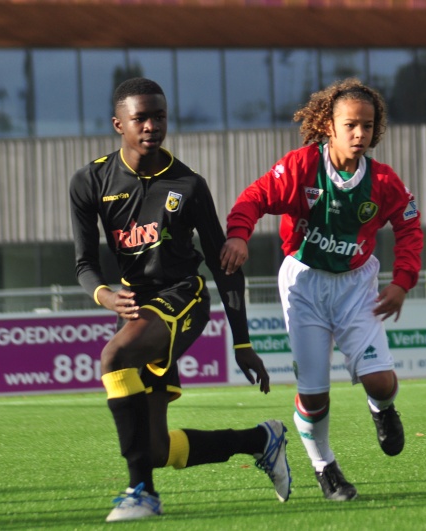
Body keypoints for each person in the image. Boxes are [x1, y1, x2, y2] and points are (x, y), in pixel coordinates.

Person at [69, 77, 291, 522]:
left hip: (183, 298)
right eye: (141, 118)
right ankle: (261, 440)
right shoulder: (90, 181)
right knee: (154, 448)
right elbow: (83, 264)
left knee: (114, 356)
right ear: (119, 124)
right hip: (133, 307)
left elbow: (225, 264)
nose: (152, 125)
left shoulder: (188, 184)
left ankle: (141, 494)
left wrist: (242, 342)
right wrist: (105, 295)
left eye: (159, 116)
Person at [221, 78, 423, 501]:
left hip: (356, 285)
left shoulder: (383, 182)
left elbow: (409, 226)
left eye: (367, 127)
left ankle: (382, 410)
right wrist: (239, 234)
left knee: (381, 382)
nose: (359, 134)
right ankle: (324, 466)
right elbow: (254, 197)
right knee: (314, 395)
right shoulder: (301, 168)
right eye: (350, 125)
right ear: (328, 126)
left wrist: (403, 281)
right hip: (305, 283)